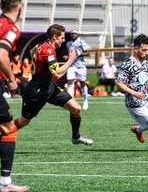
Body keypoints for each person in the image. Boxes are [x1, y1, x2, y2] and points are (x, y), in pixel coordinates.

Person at [14, 24, 94, 152]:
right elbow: (57, 74)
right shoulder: (48, 50)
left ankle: (76, 137)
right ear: (54, 37)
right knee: (24, 122)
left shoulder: (43, 45)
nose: (64, 40)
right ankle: (4, 132)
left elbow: (33, 54)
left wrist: (32, 53)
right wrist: (71, 60)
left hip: (50, 89)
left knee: (76, 109)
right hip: (36, 93)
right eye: (62, 38)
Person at [0, 0, 29, 192]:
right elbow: (1, 55)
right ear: (19, 7)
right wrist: (11, 79)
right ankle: (4, 182)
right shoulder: (10, 28)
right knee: (9, 128)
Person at [65, 29, 90, 110]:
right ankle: (71, 102)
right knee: (70, 82)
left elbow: (88, 53)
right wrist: (67, 57)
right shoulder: (68, 43)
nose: (74, 35)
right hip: (72, 65)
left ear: (78, 35)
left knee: (82, 83)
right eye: (72, 34)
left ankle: (85, 99)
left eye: (75, 34)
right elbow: (70, 54)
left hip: (80, 66)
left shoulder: (81, 42)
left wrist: (79, 53)